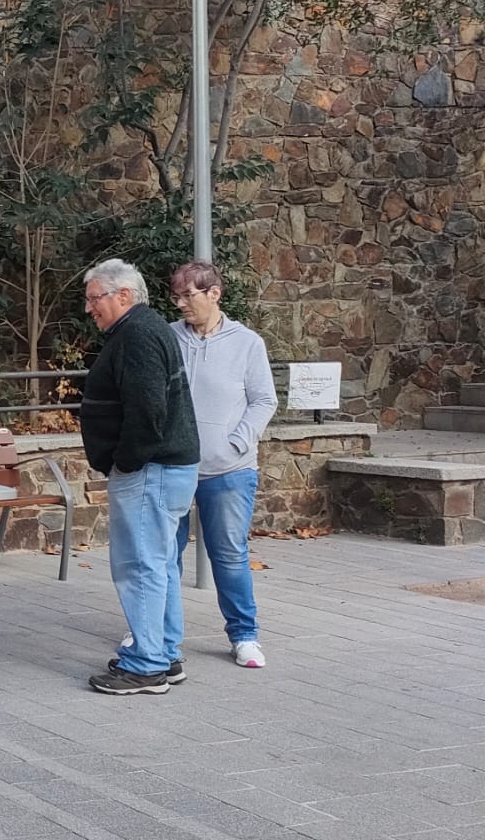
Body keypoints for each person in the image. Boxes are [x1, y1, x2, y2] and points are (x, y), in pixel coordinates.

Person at [78, 258, 201, 695]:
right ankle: (163, 654)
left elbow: (148, 411)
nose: (89, 308)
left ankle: (147, 664)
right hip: (164, 467)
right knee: (159, 564)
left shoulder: (137, 335)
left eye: (94, 298)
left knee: (140, 566)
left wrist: (126, 462)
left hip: (151, 469)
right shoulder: (146, 329)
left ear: (124, 295)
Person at [168, 261, 274, 669]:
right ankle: (155, 631)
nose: (181, 304)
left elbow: (264, 400)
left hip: (230, 470)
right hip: (173, 467)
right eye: (176, 296)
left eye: (188, 295)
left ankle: (244, 636)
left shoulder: (247, 343)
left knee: (229, 556)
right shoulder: (168, 338)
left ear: (214, 293)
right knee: (164, 554)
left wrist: (237, 441)